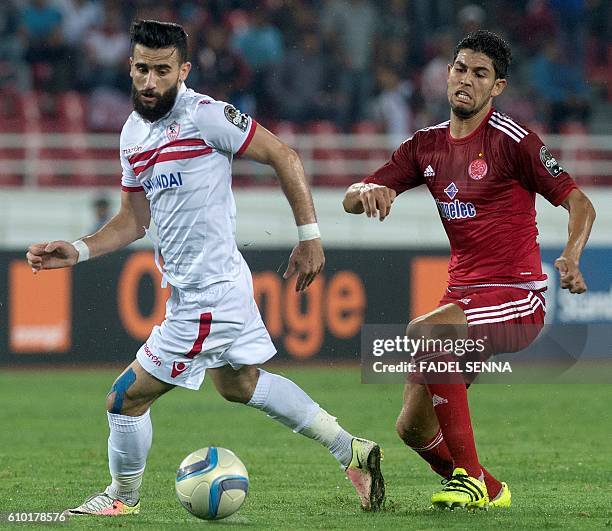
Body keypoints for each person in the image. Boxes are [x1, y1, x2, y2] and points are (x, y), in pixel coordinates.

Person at [26, 20, 384, 516]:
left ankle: (120, 500)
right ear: (130, 67)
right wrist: (79, 249)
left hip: (207, 297)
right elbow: (133, 218)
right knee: (238, 385)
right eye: (142, 70)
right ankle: (353, 451)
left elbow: (284, 155)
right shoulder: (133, 133)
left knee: (123, 399)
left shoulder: (207, 117)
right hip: (207, 291)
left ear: (183, 70)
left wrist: (309, 238)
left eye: (162, 71)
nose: (150, 82)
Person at [343, 30, 595, 509]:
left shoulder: (514, 142)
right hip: (461, 299)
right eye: (460, 68)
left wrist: (571, 256)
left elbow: (580, 202)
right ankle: (489, 487)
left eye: (480, 74)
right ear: (448, 72)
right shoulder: (425, 146)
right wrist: (364, 193)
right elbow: (354, 197)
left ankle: (469, 482)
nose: (465, 80)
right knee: (412, 428)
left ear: (496, 87)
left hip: (517, 297)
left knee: (426, 333)